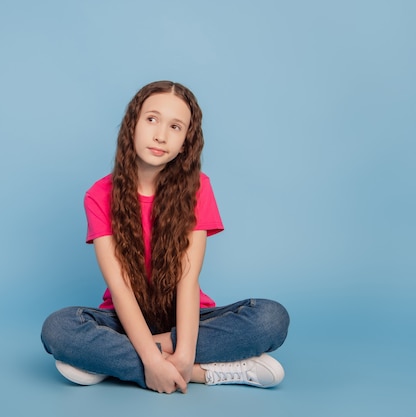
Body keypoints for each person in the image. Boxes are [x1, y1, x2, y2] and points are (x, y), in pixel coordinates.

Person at [40, 80, 289, 394]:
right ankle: (202, 372)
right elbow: (120, 288)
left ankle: (109, 362)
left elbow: (187, 279)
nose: (161, 135)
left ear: (185, 142)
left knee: (271, 319)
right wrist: (153, 361)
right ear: (133, 125)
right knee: (59, 329)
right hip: (123, 317)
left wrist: (184, 350)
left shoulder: (197, 187)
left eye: (175, 126)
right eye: (152, 119)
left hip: (188, 321)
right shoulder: (99, 195)